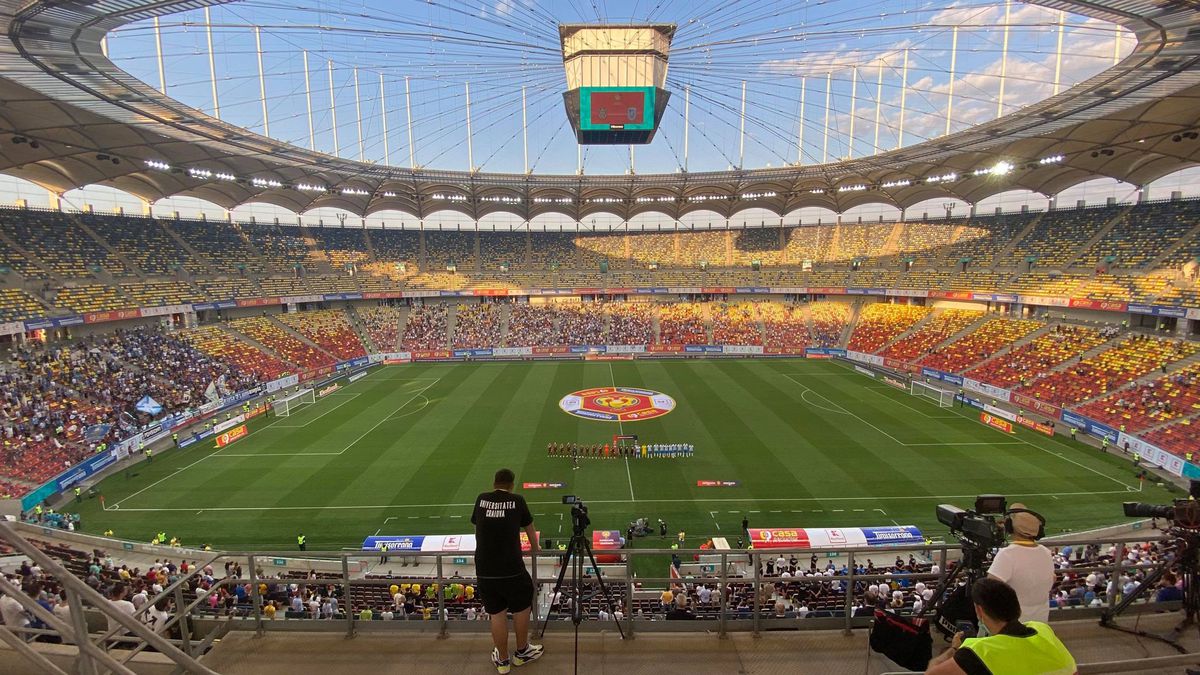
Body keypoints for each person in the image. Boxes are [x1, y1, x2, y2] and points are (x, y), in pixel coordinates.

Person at [471, 468, 543, 674]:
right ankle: (521, 652)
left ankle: (503, 661)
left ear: (494, 482)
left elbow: (478, 527)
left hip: (484, 568)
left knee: (497, 614)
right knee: (521, 608)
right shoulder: (517, 500)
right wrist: (536, 549)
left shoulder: (481, 499)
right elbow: (529, 528)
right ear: (511, 485)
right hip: (511, 568)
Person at [924, 577, 1075, 675]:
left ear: (979, 611)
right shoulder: (1042, 629)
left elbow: (931, 673)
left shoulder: (977, 652)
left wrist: (955, 649)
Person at [987, 504, 1053, 624]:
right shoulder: (1046, 552)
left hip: (1013, 624)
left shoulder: (1007, 555)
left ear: (1010, 527)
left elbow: (989, 590)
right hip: (1041, 623)